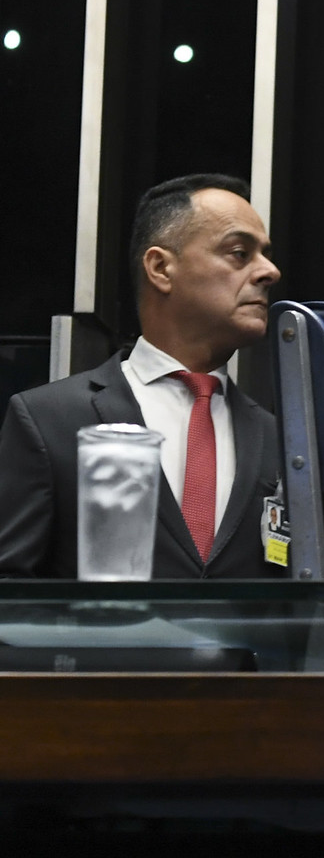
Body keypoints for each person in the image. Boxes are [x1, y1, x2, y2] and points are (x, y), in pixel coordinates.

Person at [0, 174, 282, 578]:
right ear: (160, 267)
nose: (269, 271)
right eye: (240, 253)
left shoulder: (280, 441)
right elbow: (8, 595)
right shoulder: (48, 420)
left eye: (266, 254)